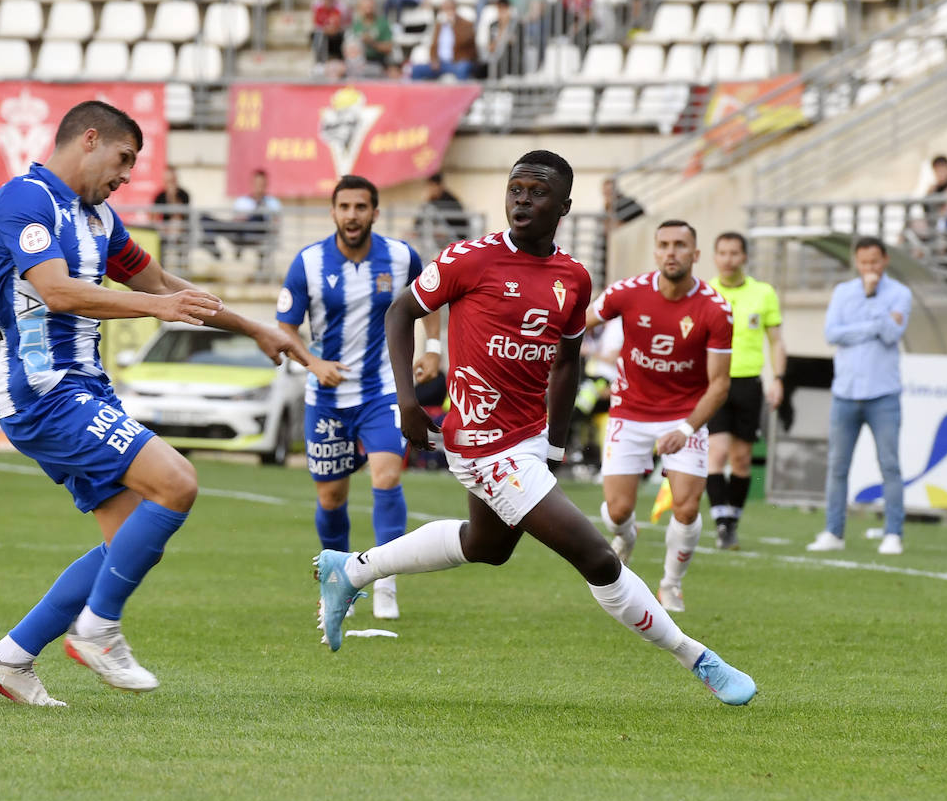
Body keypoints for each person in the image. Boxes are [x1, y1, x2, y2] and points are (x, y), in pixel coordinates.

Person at [314, 151, 756, 707]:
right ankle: (698, 658)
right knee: (598, 557)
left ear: (564, 206)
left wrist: (553, 443)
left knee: (487, 546)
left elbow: (568, 362)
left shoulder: (573, 277)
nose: (522, 200)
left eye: (537, 192)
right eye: (515, 189)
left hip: (526, 438)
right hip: (479, 441)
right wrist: (407, 401)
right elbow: (400, 312)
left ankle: (350, 570)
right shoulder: (469, 259)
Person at [0, 101, 306, 706]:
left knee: (120, 544)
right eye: (124, 159)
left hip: (84, 389)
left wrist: (251, 326)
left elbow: (159, 285)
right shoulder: (25, 200)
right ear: (90, 139)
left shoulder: (100, 219)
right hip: (43, 391)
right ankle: (98, 630)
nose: (127, 175)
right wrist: (157, 309)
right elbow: (55, 290)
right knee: (177, 482)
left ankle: (11, 658)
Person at [276, 175, 441, 625]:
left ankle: (385, 578)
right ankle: (340, 582)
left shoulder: (401, 256)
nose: (352, 215)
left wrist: (432, 348)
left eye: (360, 207)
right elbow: (285, 327)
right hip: (327, 396)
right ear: (333, 212)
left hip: (382, 389)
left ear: (374, 213)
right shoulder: (308, 263)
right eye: (344, 206)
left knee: (386, 476)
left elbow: (431, 300)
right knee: (331, 499)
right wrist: (313, 362)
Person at [587, 220, 733, 614]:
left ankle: (670, 584)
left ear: (695, 255)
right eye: (664, 245)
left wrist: (687, 428)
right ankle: (626, 535)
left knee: (686, 507)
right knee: (617, 511)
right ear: (655, 252)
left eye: (681, 245)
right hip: (629, 411)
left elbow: (719, 384)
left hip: (685, 415)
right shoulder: (627, 292)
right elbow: (578, 324)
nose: (672, 252)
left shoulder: (715, 309)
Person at [808, 237, 912, 555]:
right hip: (845, 392)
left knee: (890, 464)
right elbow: (832, 334)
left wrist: (869, 305)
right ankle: (833, 532)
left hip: (883, 394)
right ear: (856, 262)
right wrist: (875, 321)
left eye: (875, 262)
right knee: (838, 466)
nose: (870, 269)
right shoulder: (842, 292)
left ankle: (893, 533)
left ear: (885, 261)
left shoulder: (900, 294)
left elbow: (893, 334)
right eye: (864, 263)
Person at [705, 232, 787, 550]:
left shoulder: (764, 293)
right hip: (714, 383)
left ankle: (732, 520)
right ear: (714, 257)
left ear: (744, 257)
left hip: (749, 383)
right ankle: (722, 522)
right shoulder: (706, 292)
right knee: (718, 452)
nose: (728, 259)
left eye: (734, 253)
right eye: (722, 252)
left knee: (741, 460)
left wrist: (778, 378)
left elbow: (777, 340)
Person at [411, 0, 476, 81]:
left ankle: (460, 93)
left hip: (457, 62)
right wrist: (434, 59)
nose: (447, 12)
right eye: (444, 9)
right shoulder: (439, 26)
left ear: (455, 9)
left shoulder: (466, 24)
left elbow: (466, 42)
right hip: (441, 63)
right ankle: (419, 93)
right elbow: (433, 45)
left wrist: (453, 26)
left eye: (449, 8)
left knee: (462, 68)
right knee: (417, 69)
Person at [412, 172, 471, 247]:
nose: (430, 189)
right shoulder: (432, 200)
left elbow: (454, 220)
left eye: (432, 186)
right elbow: (420, 218)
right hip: (443, 235)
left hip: (457, 235)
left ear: (439, 186)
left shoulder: (449, 200)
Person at [349, 0, 395, 71]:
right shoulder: (356, 25)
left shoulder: (382, 23)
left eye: (370, 7)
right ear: (360, 8)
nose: (368, 10)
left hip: (379, 62)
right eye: (365, 7)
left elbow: (389, 47)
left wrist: (372, 43)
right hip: (358, 64)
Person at [311, 0, 348, 65]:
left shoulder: (340, 6)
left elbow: (341, 24)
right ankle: (319, 61)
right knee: (317, 35)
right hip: (324, 32)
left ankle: (341, 59)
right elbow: (316, 23)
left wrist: (333, 29)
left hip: (338, 32)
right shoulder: (317, 5)